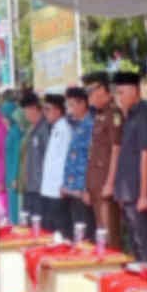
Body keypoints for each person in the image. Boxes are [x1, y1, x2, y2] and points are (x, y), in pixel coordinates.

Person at [112, 71, 147, 262]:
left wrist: (144, 195)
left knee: (143, 243)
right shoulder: (129, 116)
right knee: (134, 243)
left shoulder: (143, 115)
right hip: (127, 192)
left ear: (134, 91)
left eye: (121, 93)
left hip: (137, 193)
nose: (118, 98)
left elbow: (145, 155)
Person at [82, 72, 122, 248]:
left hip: (105, 184)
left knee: (110, 237)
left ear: (101, 90)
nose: (88, 97)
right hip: (95, 184)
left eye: (90, 91)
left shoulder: (114, 114)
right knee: (101, 236)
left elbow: (116, 149)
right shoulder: (98, 115)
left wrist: (110, 183)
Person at [62, 86, 95, 239]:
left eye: (72, 105)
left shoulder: (91, 126)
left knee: (86, 234)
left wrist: (86, 188)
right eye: (68, 105)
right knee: (77, 233)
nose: (69, 109)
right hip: (72, 190)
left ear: (83, 104)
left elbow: (90, 159)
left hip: (83, 191)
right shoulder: (76, 125)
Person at [38, 93, 72, 233]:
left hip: (58, 189)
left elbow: (65, 159)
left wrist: (63, 184)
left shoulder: (65, 129)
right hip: (48, 188)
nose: (45, 113)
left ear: (58, 110)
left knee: (59, 228)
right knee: (48, 227)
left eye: (48, 109)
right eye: (44, 109)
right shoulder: (55, 128)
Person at [18, 92, 49, 223]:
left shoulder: (45, 128)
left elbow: (47, 158)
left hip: (39, 187)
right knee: (27, 223)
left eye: (26, 111)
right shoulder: (31, 129)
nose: (26, 115)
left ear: (34, 109)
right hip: (29, 185)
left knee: (38, 224)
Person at [0, 92, 25, 223]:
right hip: (9, 172)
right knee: (11, 204)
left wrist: (15, 176)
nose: (2, 119)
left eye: (4, 116)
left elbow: (17, 155)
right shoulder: (11, 131)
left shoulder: (16, 132)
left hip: (14, 174)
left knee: (15, 205)